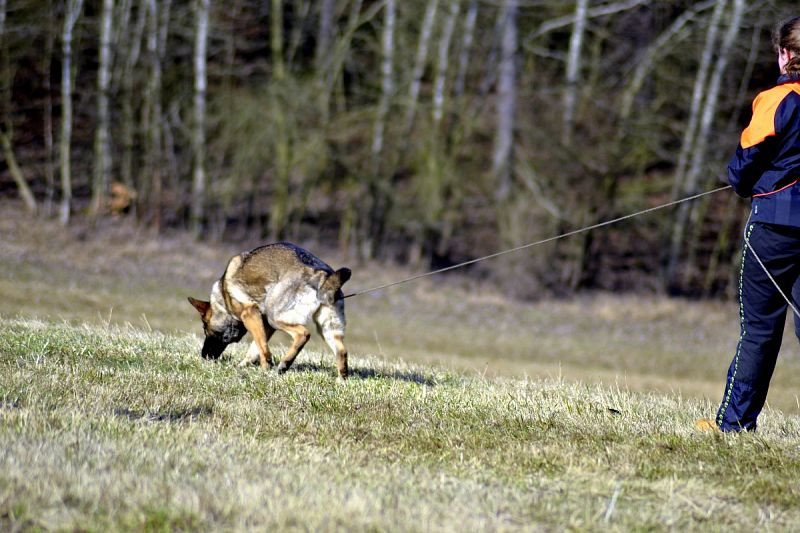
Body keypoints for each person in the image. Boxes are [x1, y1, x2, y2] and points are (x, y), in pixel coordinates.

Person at [704, 16, 800, 432]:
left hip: (775, 230)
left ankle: (736, 423)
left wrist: (742, 181)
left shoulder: (777, 100)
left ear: (785, 54)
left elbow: (743, 167)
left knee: (759, 330)